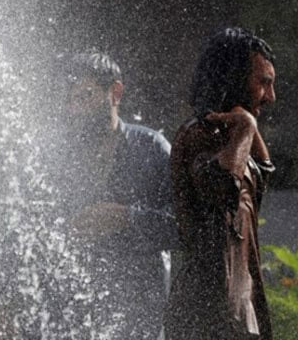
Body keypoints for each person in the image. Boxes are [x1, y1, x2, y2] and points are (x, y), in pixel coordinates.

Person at [54, 51, 177, 339]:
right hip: (72, 317)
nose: (76, 110)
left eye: (85, 96)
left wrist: (127, 217)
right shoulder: (58, 159)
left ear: (116, 93)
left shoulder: (151, 149)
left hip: (138, 320)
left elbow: (186, 225)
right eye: (70, 100)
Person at [164, 27, 277, 339]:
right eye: (263, 83)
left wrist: (247, 129)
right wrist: (247, 128)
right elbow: (224, 187)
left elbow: (262, 177)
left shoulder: (233, 137)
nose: (270, 96)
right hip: (207, 313)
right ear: (234, 78)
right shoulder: (199, 136)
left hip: (237, 306)